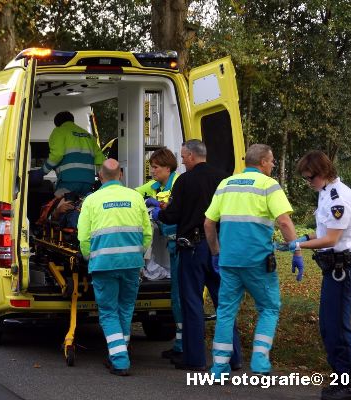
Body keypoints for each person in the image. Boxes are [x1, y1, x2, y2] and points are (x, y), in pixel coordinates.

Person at [204, 143, 303, 378]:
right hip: (258, 261)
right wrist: (297, 252)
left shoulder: (226, 184)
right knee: (269, 307)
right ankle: (259, 362)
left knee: (226, 311)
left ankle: (218, 369)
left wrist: (216, 252)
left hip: (229, 261)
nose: (273, 165)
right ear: (262, 162)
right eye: (271, 161)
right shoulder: (269, 185)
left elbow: (208, 223)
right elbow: (285, 222)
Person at [285, 151, 351, 400]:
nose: (308, 182)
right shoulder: (325, 193)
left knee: (337, 328)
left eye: (310, 178)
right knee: (329, 326)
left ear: (323, 173)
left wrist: (298, 246)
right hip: (336, 268)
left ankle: (350, 385)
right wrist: (306, 237)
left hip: (345, 267)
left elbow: (331, 239)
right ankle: (342, 379)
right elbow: (324, 231)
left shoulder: (337, 197)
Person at [157, 140, 241, 371]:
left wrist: (158, 212)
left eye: (183, 156)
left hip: (192, 249)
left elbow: (172, 216)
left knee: (192, 303)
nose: (182, 161)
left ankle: (194, 359)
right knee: (224, 302)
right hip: (219, 249)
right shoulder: (224, 179)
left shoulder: (185, 180)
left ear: (192, 156)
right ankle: (233, 357)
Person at [77, 158, 152, 376]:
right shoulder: (136, 197)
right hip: (131, 264)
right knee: (126, 309)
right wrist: (137, 255)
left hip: (103, 264)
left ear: (100, 177)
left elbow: (83, 238)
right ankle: (117, 354)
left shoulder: (92, 201)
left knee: (109, 312)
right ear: (121, 175)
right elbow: (147, 233)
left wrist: (90, 257)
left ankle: (120, 361)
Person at [135, 147, 182, 358]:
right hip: (166, 244)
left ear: (167, 167)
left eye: (155, 167)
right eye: (151, 167)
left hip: (179, 244)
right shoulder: (153, 186)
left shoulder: (179, 183)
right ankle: (180, 345)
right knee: (176, 295)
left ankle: (182, 345)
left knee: (180, 296)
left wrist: (162, 208)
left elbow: (179, 209)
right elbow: (132, 194)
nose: (152, 171)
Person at [33, 111, 105, 196]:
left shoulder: (59, 131)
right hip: (88, 182)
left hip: (69, 181)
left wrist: (42, 171)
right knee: (82, 207)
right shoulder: (88, 135)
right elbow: (100, 159)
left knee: (63, 206)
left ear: (57, 124)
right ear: (72, 120)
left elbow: (57, 155)